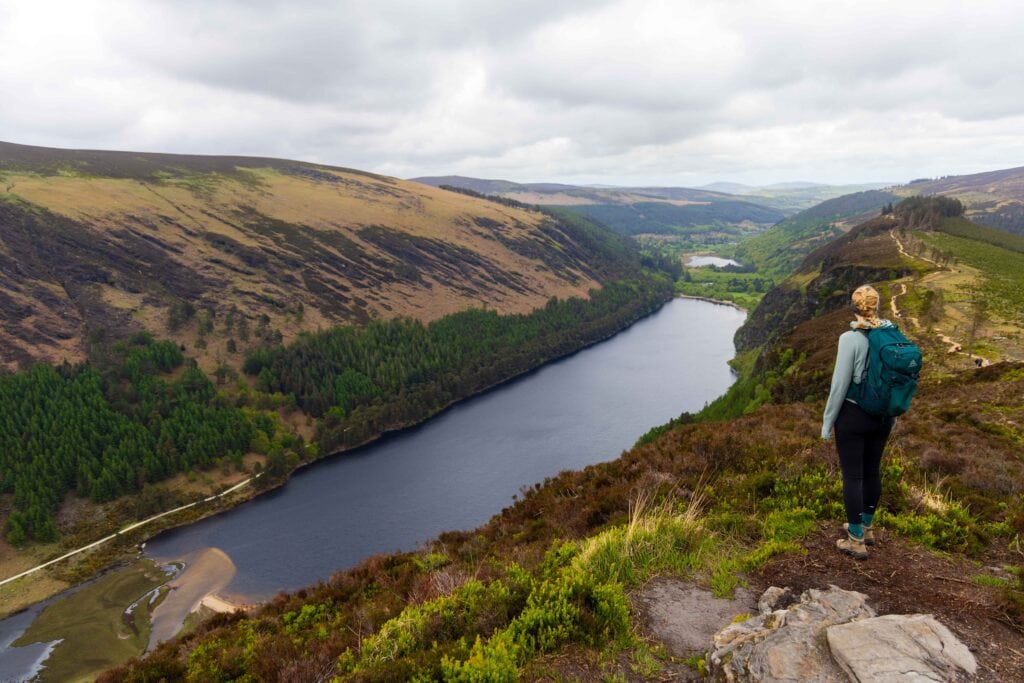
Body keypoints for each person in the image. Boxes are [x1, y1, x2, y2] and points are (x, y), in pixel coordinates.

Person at [821, 285, 896, 560]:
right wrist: (893, 417)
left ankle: (855, 540)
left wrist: (828, 422)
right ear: (877, 306)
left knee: (853, 476)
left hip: (854, 416)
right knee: (872, 471)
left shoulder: (850, 338)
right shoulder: (891, 335)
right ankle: (867, 526)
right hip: (883, 417)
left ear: (854, 306)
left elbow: (839, 385)